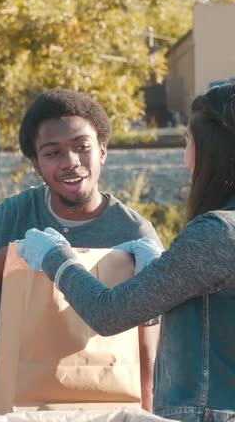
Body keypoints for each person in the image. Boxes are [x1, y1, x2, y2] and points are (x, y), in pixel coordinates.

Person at [18, 84, 235, 422]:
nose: (184, 156)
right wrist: (160, 272)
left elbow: (109, 314)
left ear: (210, 151)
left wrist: (55, 256)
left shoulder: (217, 233)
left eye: (187, 142)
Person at [0, 89, 162, 410]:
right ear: (36, 166)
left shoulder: (133, 231)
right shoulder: (12, 216)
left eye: (82, 147)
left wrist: (147, 410)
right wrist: (14, 252)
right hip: (20, 402)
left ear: (103, 151)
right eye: (52, 153)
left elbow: (147, 342)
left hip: (106, 402)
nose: (71, 162)